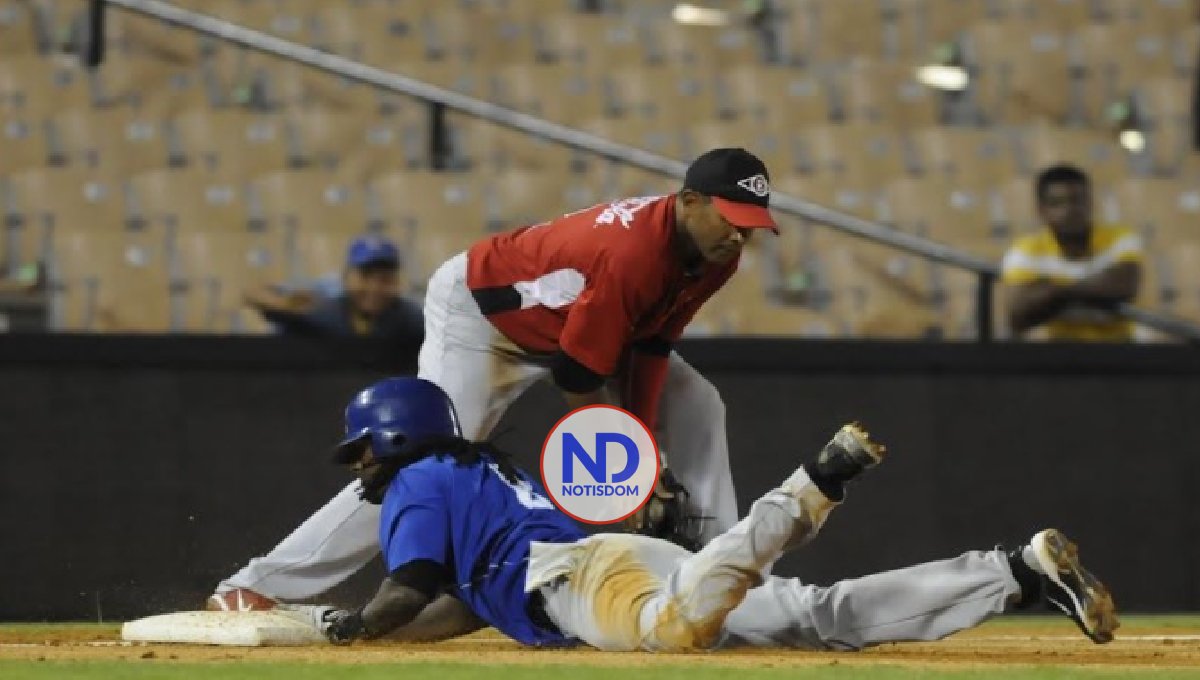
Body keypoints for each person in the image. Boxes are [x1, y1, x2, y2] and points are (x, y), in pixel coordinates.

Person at [208, 148, 780, 610]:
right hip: (483, 316)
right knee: (423, 459)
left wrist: (644, 448)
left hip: (566, 324)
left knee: (699, 403)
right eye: (731, 219)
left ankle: (722, 576)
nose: (739, 236)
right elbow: (578, 374)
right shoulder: (634, 252)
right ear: (688, 201)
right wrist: (628, 466)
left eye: (751, 226)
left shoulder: (716, 254)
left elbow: (651, 346)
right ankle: (258, 585)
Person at [283, 377, 1119, 652]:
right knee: (816, 617)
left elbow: (408, 586)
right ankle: (1014, 572)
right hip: (606, 564)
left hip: (583, 585)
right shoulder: (471, 473)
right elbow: (465, 604)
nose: (359, 466)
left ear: (395, 437)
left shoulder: (419, 480)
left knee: (673, 632)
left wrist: (354, 627)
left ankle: (809, 487)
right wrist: (385, 634)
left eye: (362, 449)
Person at [1001, 164, 1144, 341]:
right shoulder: (1025, 250)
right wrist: (1094, 287)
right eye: (1057, 203)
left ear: (1090, 203)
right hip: (1056, 349)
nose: (1070, 210)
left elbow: (1124, 286)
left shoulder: (1120, 239)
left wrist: (1053, 291)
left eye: (1077, 200)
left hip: (1118, 347)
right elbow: (1018, 314)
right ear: (1041, 210)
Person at [242, 234, 424, 341]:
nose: (374, 288)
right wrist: (285, 304)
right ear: (346, 277)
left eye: (385, 280)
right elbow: (253, 293)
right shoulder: (323, 308)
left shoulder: (406, 316)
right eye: (365, 277)